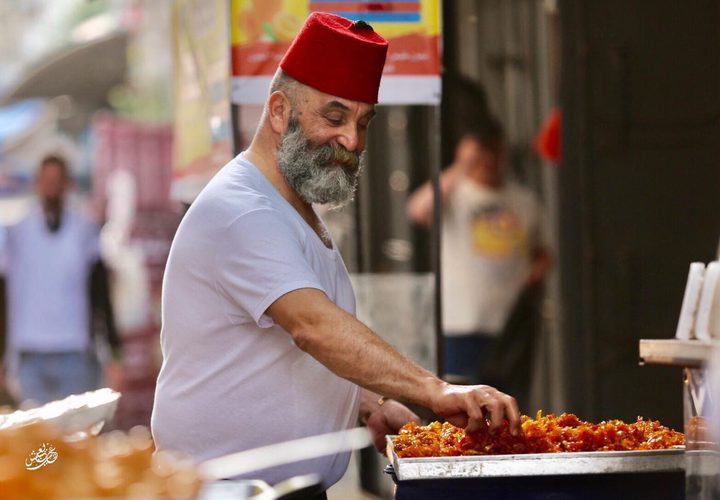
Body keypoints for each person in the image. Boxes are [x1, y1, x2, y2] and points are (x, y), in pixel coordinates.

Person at [151, 12, 520, 495]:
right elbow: (313, 328)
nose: (353, 141)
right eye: (334, 116)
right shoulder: (242, 210)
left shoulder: (290, 208)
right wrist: (438, 391)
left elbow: (278, 351)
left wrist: (368, 402)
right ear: (280, 111)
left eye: (363, 122)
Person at [407, 120, 551, 404]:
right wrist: (461, 166)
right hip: (461, 324)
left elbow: (542, 252)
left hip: (509, 325)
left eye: (493, 152)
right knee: (462, 404)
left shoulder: (524, 201)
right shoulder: (455, 195)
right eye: (480, 153)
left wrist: (534, 277)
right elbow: (418, 210)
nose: (487, 161)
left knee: (511, 403)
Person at [0, 155, 122, 405]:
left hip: (74, 353)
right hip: (30, 353)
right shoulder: (17, 233)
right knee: (38, 443)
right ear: (37, 184)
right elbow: (3, 295)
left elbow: (100, 293)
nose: (51, 187)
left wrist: (113, 346)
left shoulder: (83, 230)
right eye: (47, 181)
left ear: (67, 184)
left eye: (57, 181)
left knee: (72, 440)